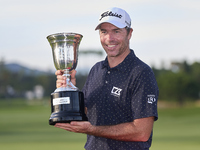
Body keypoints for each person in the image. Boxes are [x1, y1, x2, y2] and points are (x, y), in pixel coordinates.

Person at [55, 7, 159, 150]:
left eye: (116, 31)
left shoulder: (141, 73)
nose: (109, 38)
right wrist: (70, 91)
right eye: (104, 32)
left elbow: (141, 132)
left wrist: (91, 129)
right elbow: (83, 114)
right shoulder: (96, 70)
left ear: (129, 33)